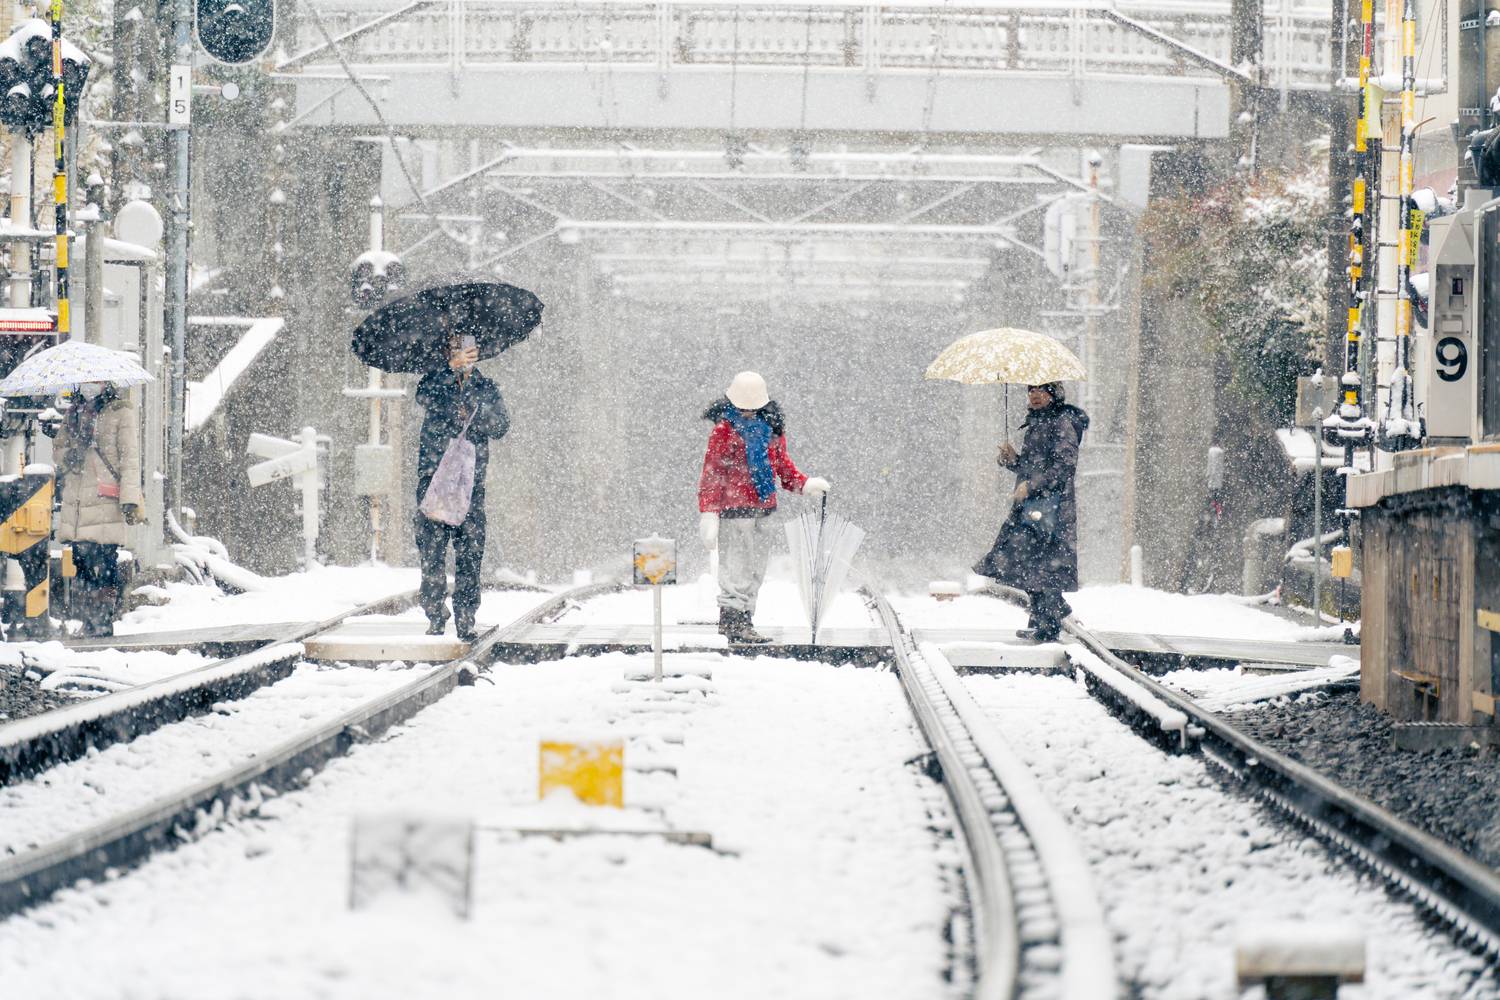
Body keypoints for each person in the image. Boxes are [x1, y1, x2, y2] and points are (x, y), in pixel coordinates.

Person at [698, 371, 829, 644]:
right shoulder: (723, 430)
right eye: (741, 406)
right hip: (734, 512)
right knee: (735, 569)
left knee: (755, 569)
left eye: (751, 406)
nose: (746, 412)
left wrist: (804, 484)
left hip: (763, 509)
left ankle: (745, 620)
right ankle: (733, 623)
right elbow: (713, 472)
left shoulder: (772, 430)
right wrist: (709, 512)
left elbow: (782, 466)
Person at [974, 382, 1089, 642]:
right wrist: (1013, 460)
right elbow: (1033, 467)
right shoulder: (1038, 422)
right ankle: (1042, 618)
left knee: (1042, 567)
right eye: (1030, 390)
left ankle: (1050, 620)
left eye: (1041, 390)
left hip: (1052, 511)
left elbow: (1063, 467)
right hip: (1033, 508)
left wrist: (1031, 486)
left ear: (1054, 394)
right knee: (1028, 564)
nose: (1034, 395)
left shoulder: (1062, 422)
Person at [414, 338, 509, 642]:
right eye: (456, 348)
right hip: (433, 480)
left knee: (470, 552)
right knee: (431, 550)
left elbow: (501, 426)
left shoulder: (486, 387)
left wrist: (475, 414)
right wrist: (448, 372)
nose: (463, 355)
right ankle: (435, 613)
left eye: (467, 348)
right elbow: (424, 398)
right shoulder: (434, 381)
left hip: (470, 486)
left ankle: (466, 615)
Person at [52, 384, 145, 637]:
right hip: (78, 500)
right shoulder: (74, 412)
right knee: (80, 561)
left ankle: (103, 619)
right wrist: (71, 454)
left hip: (106, 497)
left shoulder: (119, 411)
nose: (91, 385)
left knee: (105, 560)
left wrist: (129, 497)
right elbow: (58, 450)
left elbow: (130, 458)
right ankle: (89, 618)